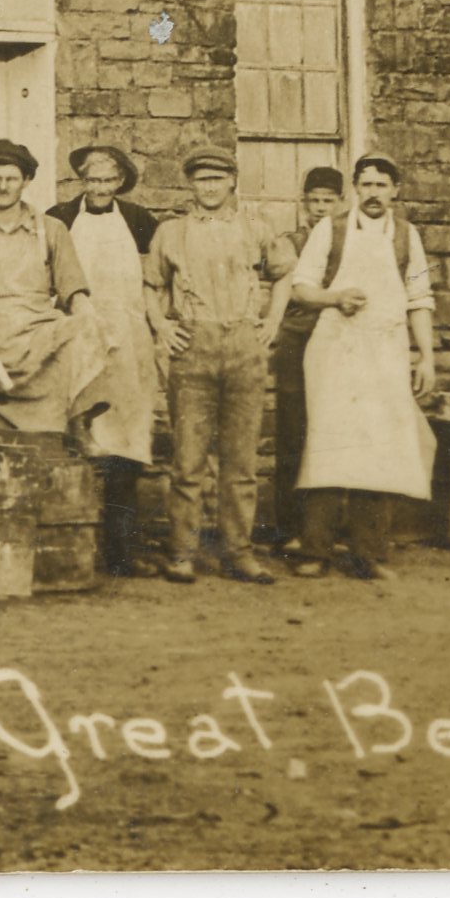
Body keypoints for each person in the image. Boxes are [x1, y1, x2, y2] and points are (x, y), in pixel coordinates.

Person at [284, 153, 438, 578]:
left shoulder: (407, 235)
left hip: (385, 351)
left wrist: (426, 356)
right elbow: (301, 288)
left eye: (381, 186)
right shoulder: (330, 229)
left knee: (379, 447)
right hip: (335, 348)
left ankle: (368, 554)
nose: (373, 193)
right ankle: (316, 550)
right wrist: (335, 297)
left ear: (395, 191)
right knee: (329, 444)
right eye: (366, 185)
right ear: (355, 189)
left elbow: (420, 298)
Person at [144, 152, 289, 584]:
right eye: (201, 179)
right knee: (188, 460)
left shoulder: (256, 227)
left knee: (240, 461)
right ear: (191, 184)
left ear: (231, 182)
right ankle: (182, 552)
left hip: (244, 345)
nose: (209, 187)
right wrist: (162, 327)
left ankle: (238, 552)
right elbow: (151, 285)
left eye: (217, 178)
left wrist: (272, 321)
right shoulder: (172, 232)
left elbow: (284, 273)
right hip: (194, 344)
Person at [45, 145, 170, 575]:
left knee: (125, 445)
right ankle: (69, 545)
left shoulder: (139, 221)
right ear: (81, 181)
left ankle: (121, 553)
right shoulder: (60, 218)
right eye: (91, 180)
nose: (99, 188)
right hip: (79, 340)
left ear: (120, 182)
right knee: (76, 438)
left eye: (107, 180)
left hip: (129, 344)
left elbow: (158, 280)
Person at [0, 139, 107, 445]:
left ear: (26, 181)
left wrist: (89, 321)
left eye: (11, 179)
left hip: (41, 332)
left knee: (92, 328)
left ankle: (79, 420)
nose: (3, 187)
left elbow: (74, 291)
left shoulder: (52, 230)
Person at [259, 166, 348, 551]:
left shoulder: (349, 242)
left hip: (340, 341)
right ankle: (290, 529)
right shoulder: (290, 242)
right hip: (297, 339)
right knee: (293, 430)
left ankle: (331, 530)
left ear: (341, 202)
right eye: (314, 201)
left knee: (337, 433)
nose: (320, 208)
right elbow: (291, 291)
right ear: (303, 203)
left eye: (328, 201)